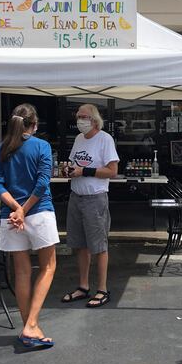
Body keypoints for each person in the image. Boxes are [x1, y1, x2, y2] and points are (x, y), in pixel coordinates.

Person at [0, 103, 58, 349]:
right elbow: (42, 183)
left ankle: (28, 326)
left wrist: (15, 208)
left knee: (21, 272)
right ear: (35, 124)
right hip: (38, 212)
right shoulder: (42, 146)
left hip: (9, 216)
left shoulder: (1, 148)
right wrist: (24, 209)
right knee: (48, 266)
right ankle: (31, 325)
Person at [61, 104, 119, 308]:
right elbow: (73, 163)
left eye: (83, 117)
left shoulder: (104, 139)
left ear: (94, 120)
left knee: (99, 245)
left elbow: (112, 171)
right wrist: (68, 170)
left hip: (95, 198)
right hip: (76, 196)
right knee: (80, 245)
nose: (79, 120)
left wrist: (84, 172)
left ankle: (102, 289)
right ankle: (83, 286)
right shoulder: (78, 139)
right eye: (77, 116)